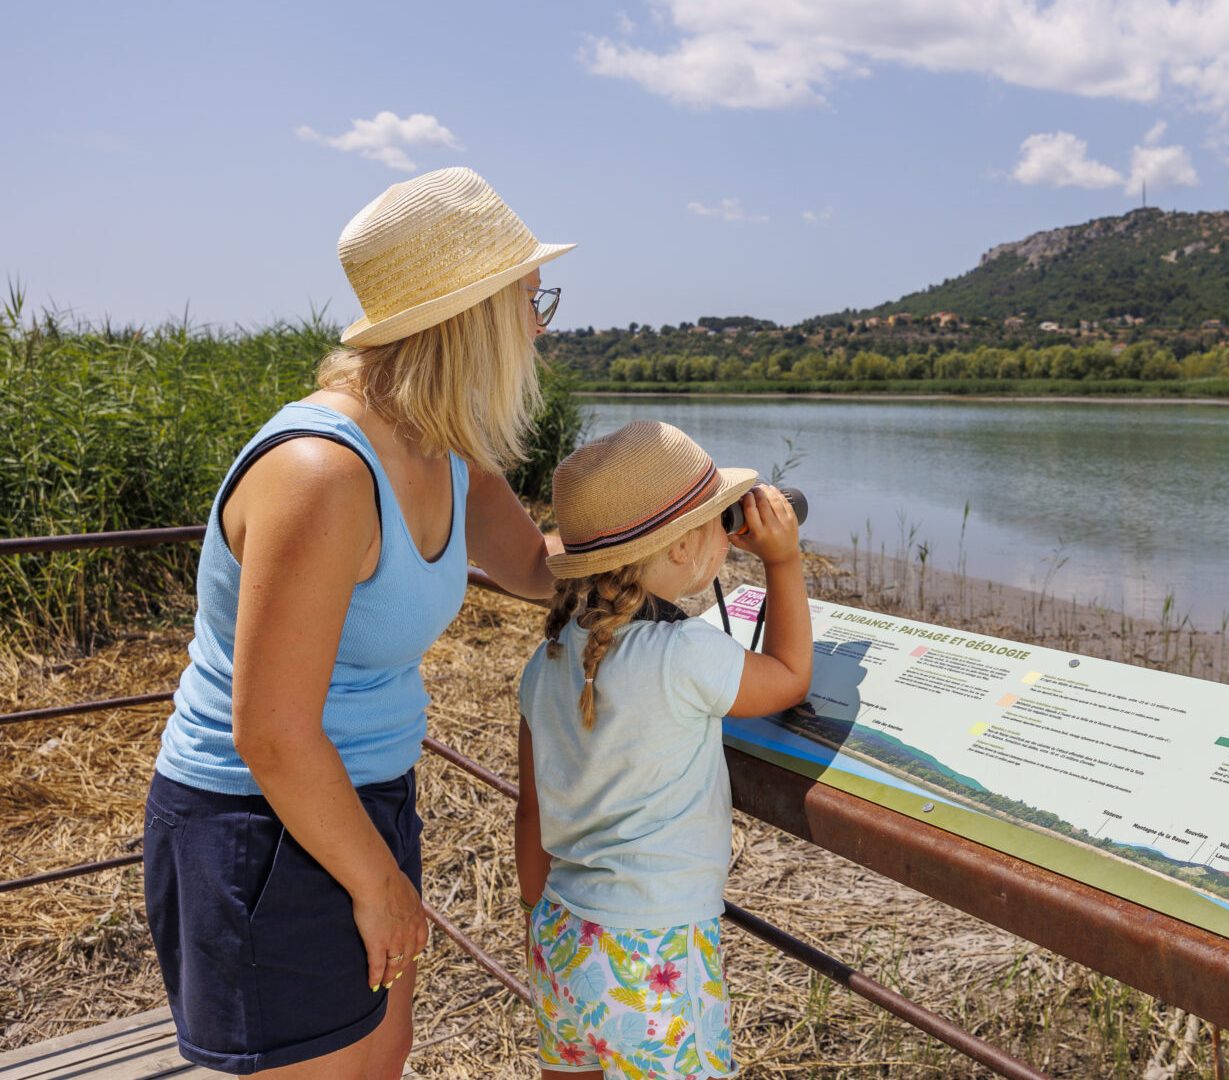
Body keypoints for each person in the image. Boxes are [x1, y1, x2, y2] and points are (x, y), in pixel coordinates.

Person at [142, 167, 572, 1077]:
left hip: (367, 798)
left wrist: (672, 522)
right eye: (533, 301)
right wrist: (378, 884)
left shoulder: (447, 445)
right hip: (261, 820)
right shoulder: (321, 473)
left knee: (382, 1058)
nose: (543, 327)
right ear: (475, 318)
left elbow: (537, 567)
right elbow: (272, 733)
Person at [514, 420, 813, 1079]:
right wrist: (782, 560)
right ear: (680, 551)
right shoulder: (685, 655)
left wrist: (536, 914)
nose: (725, 535)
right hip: (656, 955)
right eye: (716, 521)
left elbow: (530, 816)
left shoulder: (549, 659)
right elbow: (791, 676)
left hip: (564, 936)